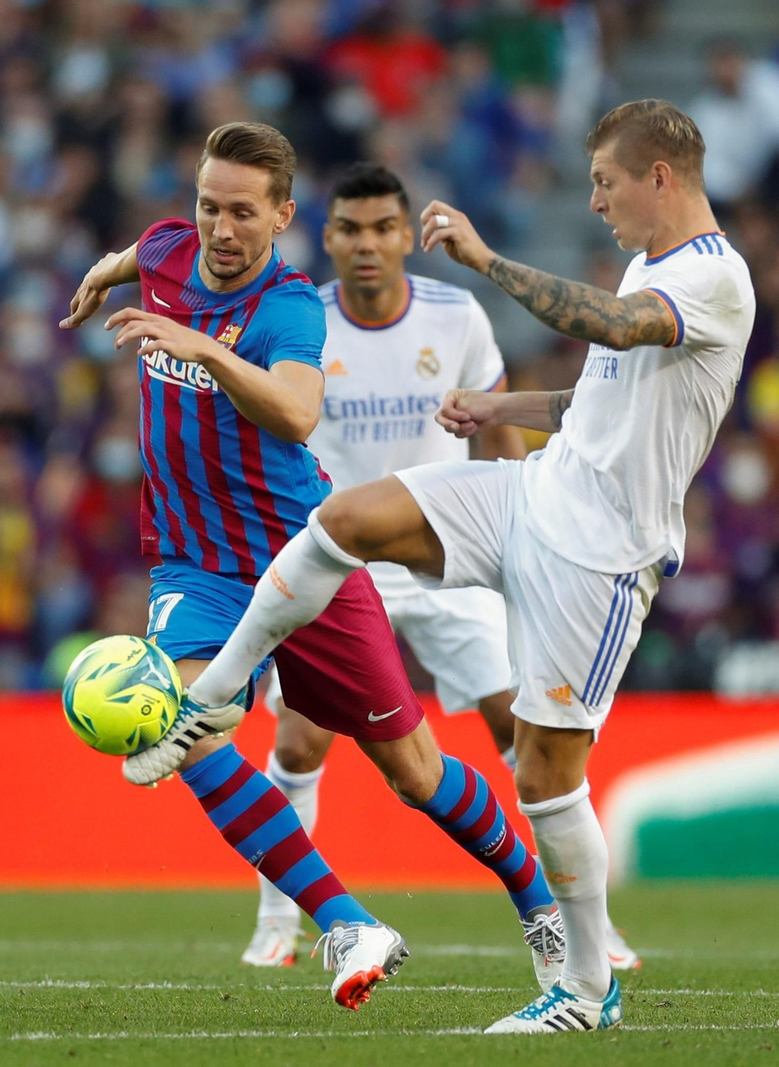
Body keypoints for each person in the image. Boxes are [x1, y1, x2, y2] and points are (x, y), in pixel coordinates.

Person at [157, 101, 756, 1033]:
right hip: (534, 490)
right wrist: (500, 403)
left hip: (601, 551)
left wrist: (485, 262)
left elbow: (614, 325)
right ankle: (217, 691)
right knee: (343, 518)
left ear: (660, 178)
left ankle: (589, 990)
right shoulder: (655, 265)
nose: (595, 200)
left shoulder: (715, 278)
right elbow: (602, 392)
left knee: (547, 776)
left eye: (604, 180)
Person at [60, 122, 563, 1011]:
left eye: (242, 213)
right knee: (186, 723)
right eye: (210, 206)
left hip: (307, 564)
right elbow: (148, 249)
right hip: (198, 566)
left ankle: (535, 896)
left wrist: (205, 349)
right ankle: (345, 921)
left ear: (284, 217)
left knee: (412, 771)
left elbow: (296, 412)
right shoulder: (174, 250)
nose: (220, 229)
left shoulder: (288, 307)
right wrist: (108, 267)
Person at [236, 161, 642, 975]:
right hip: (341, 563)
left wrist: (525, 540)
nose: (367, 245)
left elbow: (496, 435)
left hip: (445, 553)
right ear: (327, 236)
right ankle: (277, 920)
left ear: (406, 234)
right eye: (349, 229)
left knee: (528, 731)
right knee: (306, 737)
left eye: (384, 228)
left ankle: (586, 928)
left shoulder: (455, 317)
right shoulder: (299, 320)